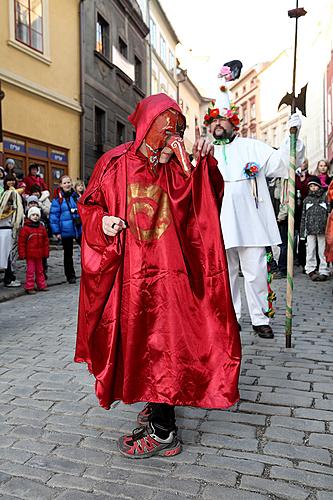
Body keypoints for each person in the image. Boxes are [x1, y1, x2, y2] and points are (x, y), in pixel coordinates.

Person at [75, 93, 241, 458]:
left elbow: (205, 203)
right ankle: (155, 402)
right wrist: (101, 221)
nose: (171, 142)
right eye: (166, 133)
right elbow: (89, 204)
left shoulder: (178, 168)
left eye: (178, 132)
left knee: (164, 343)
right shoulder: (114, 163)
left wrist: (203, 165)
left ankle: (164, 431)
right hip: (129, 276)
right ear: (146, 129)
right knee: (138, 342)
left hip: (170, 277)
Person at [194, 68, 304, 339]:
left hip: (251, 222)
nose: (218, 124)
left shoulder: (252, 146)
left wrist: (292, 138)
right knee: (225, 273)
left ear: (234, 124)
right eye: (214, 121)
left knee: (255, 271)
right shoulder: (206, 152)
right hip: (218, 223)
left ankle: (259, 318)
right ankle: (232, 317)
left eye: (223, 120)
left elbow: (282, 163)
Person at [49, 175, 81, 284]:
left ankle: (89, 271)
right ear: (61, 185)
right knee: (68, 254)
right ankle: (70, 276)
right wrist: (56, 232)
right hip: (65, 230)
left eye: (69, 182)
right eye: (65, 183)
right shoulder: (58, 199)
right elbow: (54, 217)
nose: (67, 184)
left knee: (86, 251)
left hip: (78, 228)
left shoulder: (76, 196)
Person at [300, 175, 329, 281]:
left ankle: (324, 270)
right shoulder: (307, 200)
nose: (313, 188)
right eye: (311, 186)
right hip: (310, 230)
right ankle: (310, 269)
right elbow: (303, 216)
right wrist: (303, 232)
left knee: (323, 250)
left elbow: (329, 213)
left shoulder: (325, 198)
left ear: (319, 186)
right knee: (310, 250)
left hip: (323, 229)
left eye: (315, 186)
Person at [0, 175, 25, 287]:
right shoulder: (4, 195)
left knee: (9, 256)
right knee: (6, 256)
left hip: (10, 229)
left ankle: (9, 277)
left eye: (12, 180)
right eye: (8, 180)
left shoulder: (16, 195)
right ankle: (8, 279)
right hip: (4, 229)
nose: (11, 182)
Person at [18, 206, 49, 294]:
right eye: (33, 215)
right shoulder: (25, 229)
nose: (35, 217)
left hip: (39, 254)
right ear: (29, 216)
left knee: (40, 270)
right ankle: (29, 286)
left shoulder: (41, 228)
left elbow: (45, 242)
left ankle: (41, 285)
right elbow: (22, 243)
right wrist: (22, 254)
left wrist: (46, 252)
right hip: (30, 254)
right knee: (30, 271)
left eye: (37, 215)